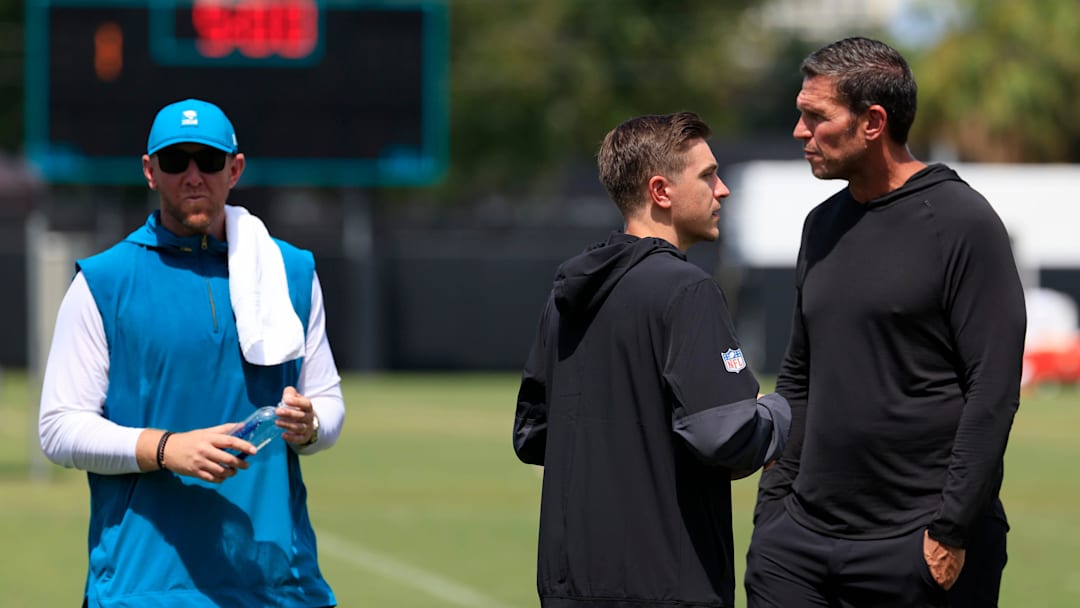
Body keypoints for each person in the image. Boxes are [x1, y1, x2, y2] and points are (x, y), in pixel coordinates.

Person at [745, 37, 1026, 608]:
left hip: (917, 548)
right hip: (797, 545)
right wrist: (771, 512)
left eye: (815, 116)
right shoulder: (820, 225)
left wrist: (949, 530)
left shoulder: (962, 223)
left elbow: (992, 390)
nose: (800, 131)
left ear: (873, 122)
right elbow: (798, 376)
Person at [38, 98, 345, 607]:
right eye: (176, 161)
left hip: (280, 588)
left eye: (208, 160)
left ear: (235, 168)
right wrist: (166, 449)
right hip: (146, 589)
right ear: (150, 171)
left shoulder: (291, 272)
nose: (194, 176)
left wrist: (308, 426)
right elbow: (59, 426)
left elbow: (328, 403)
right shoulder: (104, 282)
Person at [514, 111, 791, 608]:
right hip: (667, 584)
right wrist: (781, 414)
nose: (722, 189)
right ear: (661, 191)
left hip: (569, 584)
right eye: (708, 175)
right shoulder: (688, 290)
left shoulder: (568, 293)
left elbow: (534, 436)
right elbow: (724, 437)